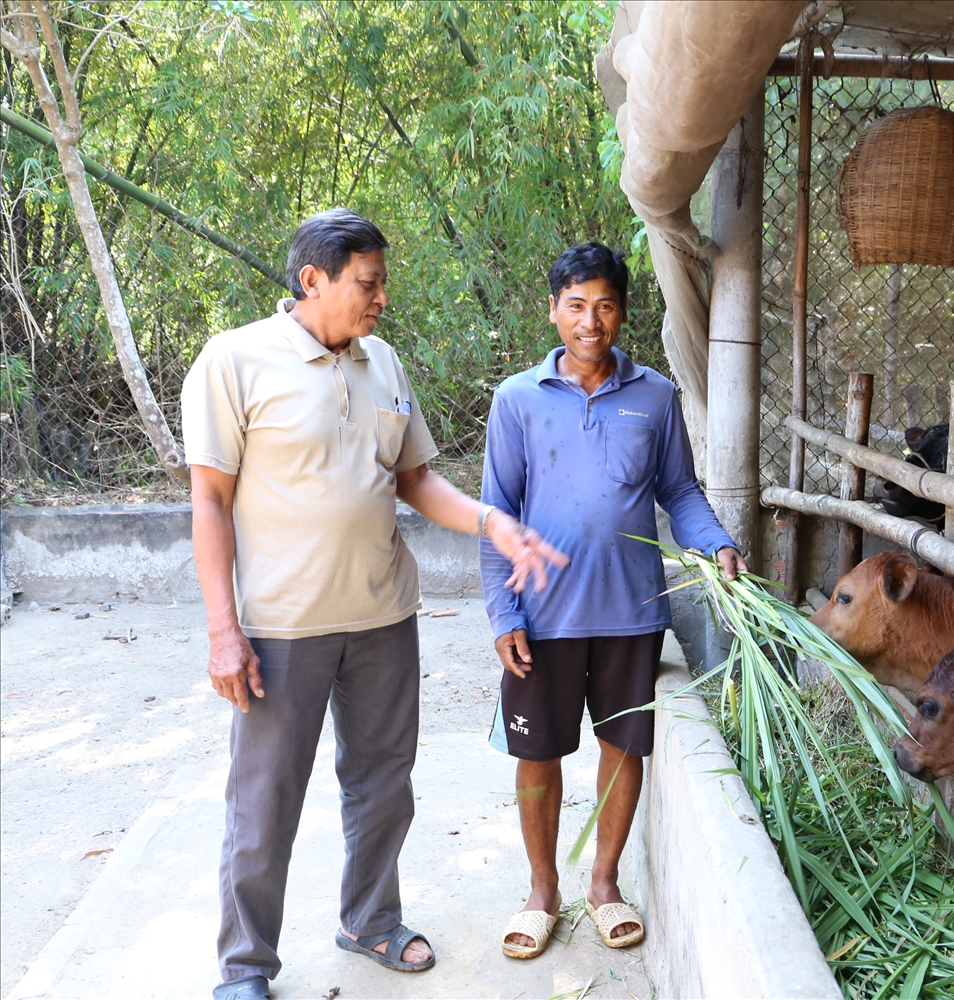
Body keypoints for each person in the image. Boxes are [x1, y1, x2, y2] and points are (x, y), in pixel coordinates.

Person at [184, 208, 567, 1000]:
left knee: (385, 785)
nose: (382, 297)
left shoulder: (382, 361)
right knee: (264, 802)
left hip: (384, 616)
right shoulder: (234, 361)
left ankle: (370, 921)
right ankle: (245, 966)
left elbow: (414, 479)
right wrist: (223, 631)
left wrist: (494, 523)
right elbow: (210, 501)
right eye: (369, 282)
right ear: (312, 279)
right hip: (282, 628)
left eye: (382, 282)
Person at [480, 243, 748, 958]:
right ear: (553, 311)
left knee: (623, 747)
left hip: (631, 613)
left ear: (623, 312)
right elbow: (495, 514)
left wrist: (715, 542)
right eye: (575, 305)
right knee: (537, 754)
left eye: (603, 305)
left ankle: (604, 884)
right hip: (542, 615)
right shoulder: (517, 400)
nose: (590, 321)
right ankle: (542, 891)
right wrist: (503, 613)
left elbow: (680, 491)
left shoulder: (656, 396)